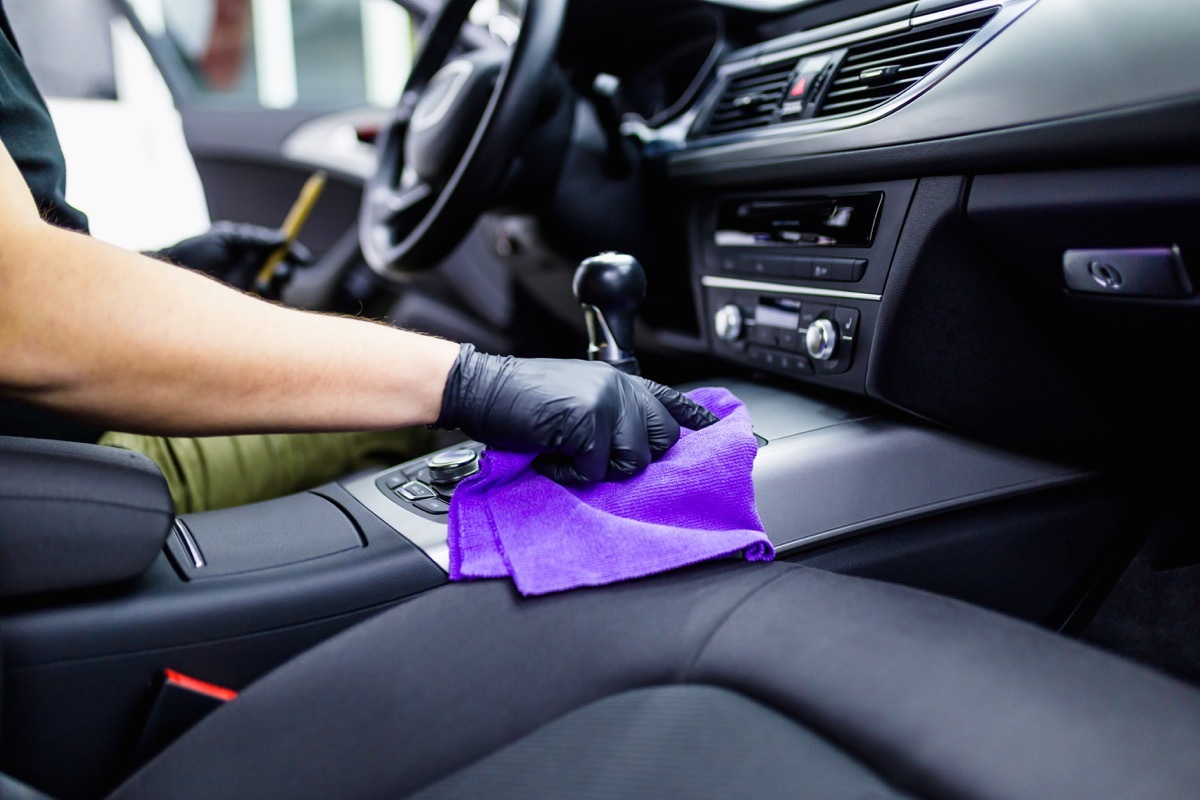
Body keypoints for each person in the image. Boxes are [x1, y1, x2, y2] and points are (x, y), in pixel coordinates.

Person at [0, 6, 714, 497]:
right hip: (68, 462)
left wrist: (172, 263)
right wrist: (466, 384)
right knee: (413, 436)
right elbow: (19, 302)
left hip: (48, 449)